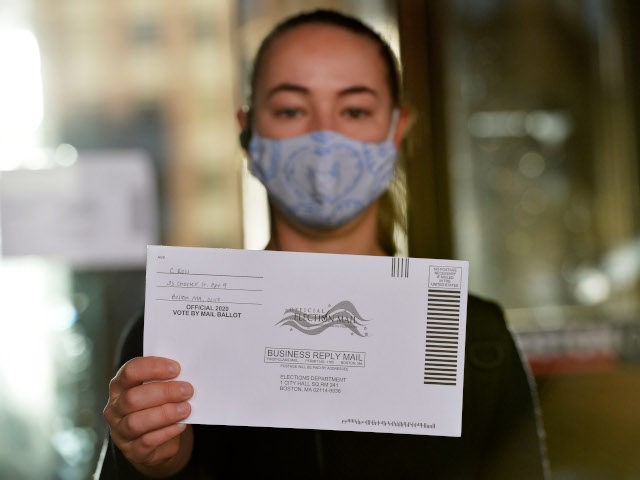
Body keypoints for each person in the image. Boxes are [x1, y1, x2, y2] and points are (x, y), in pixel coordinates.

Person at [98, 9, 548, 479]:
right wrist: (156, 463)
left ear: (396, 130)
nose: (324, 137)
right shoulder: (171, 333)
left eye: (354, 110)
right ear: (249, 132)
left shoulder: (473, 337)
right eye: (292, 109)